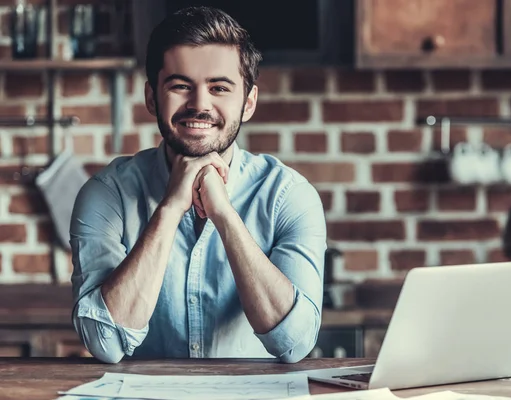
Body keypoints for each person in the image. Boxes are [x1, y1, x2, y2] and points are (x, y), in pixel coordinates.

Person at [69, 6, 326, 364]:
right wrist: (171, 208)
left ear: (248, 102)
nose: (199, 105)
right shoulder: (106, 193)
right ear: (151, 97)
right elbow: (105, 343)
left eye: (219, 87)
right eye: (180, 86)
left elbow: (294, 344)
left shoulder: (288, 196)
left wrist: (223, 213)